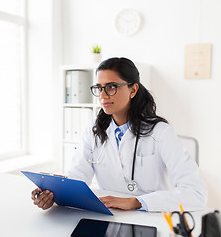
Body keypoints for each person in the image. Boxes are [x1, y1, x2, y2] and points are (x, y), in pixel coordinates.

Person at [31, 57, 208, 212]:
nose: (103, 95)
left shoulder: (160, 132)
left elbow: (196, 193)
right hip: (111, 216)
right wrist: (55, 195)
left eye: (111, 87)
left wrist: (137, 202)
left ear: (133, 90)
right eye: (99, 88)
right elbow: (78, 179)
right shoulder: (94, 130)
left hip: (152, 215)